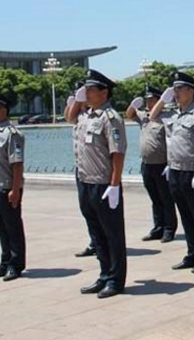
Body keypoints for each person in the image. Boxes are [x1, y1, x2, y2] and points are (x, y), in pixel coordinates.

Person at [68, 69, 128, 298]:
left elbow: (118, 153)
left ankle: (116, 279)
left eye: (91, 89)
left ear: (104, 92)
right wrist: (78, 98)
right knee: (97, 233)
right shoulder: (86, 116)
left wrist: (114, 185)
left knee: (112, 234)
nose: (87, 93)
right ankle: (104, 274)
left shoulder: (110, 118)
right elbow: (70, 117)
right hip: (85, 181)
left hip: (104, 184)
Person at [149, 71, 194, 273]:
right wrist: (164, 98)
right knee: (185, 216)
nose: (176, 93)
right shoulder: (173, 114)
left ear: (191, 91)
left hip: (191, 172)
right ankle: (191, 253)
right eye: (174, 89)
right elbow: (152, 116)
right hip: (174, 171)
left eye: (179, 89)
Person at [126, 85, 177, 243]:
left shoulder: (167, 116)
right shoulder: (144, 117)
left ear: (159, 100)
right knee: (155, 199)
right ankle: (158, 227)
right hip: (147, 164)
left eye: (151, 100)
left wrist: (170, 163)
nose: (148, 103)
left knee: (166, 199)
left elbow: (172, 142)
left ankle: (169, 229)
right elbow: (129, 115)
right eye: (147, 100)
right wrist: (133, 105)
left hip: (162, 164)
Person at [0, 90, 26, 281]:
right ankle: (5, 262)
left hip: (6, 187)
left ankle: (16, 264)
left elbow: (17, 164)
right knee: (0, 228)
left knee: (12, 227)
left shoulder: (11, 133)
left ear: (2, 109)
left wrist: (15, 189)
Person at [65, 81, 97, 258]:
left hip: (95, 173)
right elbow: (69, 117)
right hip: (81, 169)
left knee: (98, 211)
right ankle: (95, 241)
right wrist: (74, 102)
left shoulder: (96, 115)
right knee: (86, 208)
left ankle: (101, 242)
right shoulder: (80, 115)